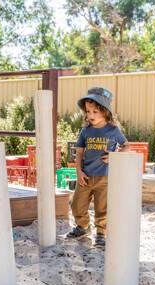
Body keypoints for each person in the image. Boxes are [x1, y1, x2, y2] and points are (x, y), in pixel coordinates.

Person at [66, 87, 129, 247]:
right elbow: (79, 153)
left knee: (103, 208)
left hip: (105, 177)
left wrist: (115, 156)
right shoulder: (85, 131)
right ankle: (83, 226)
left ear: (105, 111)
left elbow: (126, 146)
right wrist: (78, 171)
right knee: (77, 204)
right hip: (85, 175)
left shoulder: (113, 130)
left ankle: (101, 233)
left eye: (95, 111)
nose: (90, 115)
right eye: (88, 112)